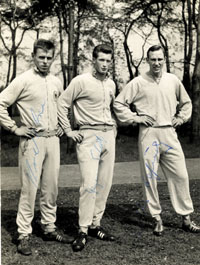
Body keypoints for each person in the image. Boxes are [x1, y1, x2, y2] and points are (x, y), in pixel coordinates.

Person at [113, 45, 200, 236]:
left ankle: (186, 218)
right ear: (148, 61)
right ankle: (157, 219)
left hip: (169, 132)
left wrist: (181, 118)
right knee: (150, 177)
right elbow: (119, 103)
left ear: (164, 60)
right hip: (148, 134)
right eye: (153, 59)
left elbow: (186, 103)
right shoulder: (138, 82)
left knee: (181, 175)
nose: (157, 63)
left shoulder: (173, 80)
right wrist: (136, 118)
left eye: (160, 59)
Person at [0, 39, 74, 256]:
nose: (44, 61)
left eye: (49, 58)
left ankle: (49, 227)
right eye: (41, 57)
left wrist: (63, 126)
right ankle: (23, 233)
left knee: (51, 187)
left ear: (53, 59)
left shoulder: (56, 81)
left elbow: (63, 107)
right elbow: (1, 103)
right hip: (32, 140)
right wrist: (15, 129)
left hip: (53, 140)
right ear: (33, 56)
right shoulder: (23, 80)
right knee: (29, 189)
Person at [57, 44, 116, 252]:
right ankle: (82, 230)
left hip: (108, 135)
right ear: (94, 60)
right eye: (101, 60)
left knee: (104, 184)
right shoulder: (81, 81)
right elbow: (62, 104)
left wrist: (113, 130)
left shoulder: (111, 84)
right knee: (89, 185)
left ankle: (95, 225)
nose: (105, 64)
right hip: (88, 136)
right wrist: (68, 131)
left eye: (108, 61)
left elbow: (110, 109)